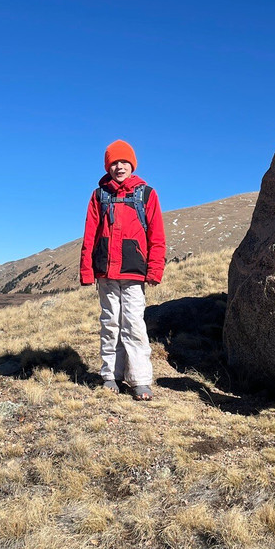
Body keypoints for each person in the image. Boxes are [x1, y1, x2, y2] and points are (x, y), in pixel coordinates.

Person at [80, 139, 166, 401]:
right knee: (110, 323)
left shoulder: (146, 194)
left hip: (133, 273)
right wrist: (87, 270)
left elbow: (157, 235)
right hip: (106, 273)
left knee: (134, 324)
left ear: (132, 164)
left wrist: (154, 270)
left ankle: (140, 380)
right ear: (108, 166)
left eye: (123, 162)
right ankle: (110, 376)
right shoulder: (99, 195)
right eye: (114, 163)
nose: (119, 167)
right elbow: (90, 235)